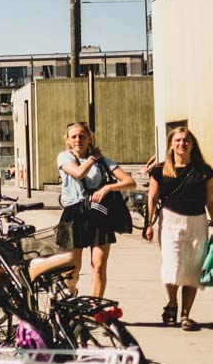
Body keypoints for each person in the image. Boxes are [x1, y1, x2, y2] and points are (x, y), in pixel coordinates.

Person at [144, 127, 213, 330]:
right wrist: (148, 224)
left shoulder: (204, 171)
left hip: (197, 222)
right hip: (170, 222)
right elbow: (152, 198)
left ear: (192, 144)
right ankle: (172, 303)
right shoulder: (160, 170)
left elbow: (210, 200)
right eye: (178, 140)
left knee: (192, 269)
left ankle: (185, 315)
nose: (182, 144)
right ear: (171, 144)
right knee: (172, 266)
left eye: (186, 140)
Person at [58, 122, 136, 299]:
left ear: (89, 138)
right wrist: (92, 158)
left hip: (98, 213)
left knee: (99, 265)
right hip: (74, 213)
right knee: (71, 267)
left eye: (82, 136)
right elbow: (78, 173)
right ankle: (70, 296)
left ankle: (95, 307)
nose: (78, 140)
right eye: (74, 137)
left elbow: (130, 182)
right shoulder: (64, 157)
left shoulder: (104, 161)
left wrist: (107, 188)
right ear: (68, 140)